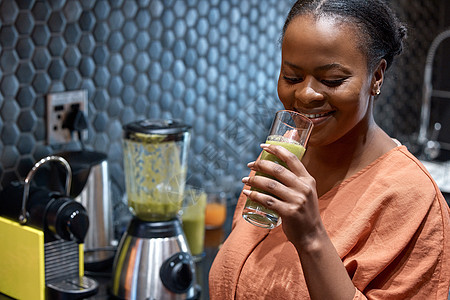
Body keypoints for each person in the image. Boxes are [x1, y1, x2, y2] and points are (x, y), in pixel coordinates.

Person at [208, 0, 450, 299]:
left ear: (377, 75)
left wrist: (311, 238)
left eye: (332, 80)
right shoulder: (285, 156)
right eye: (292, 77)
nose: (305, 94)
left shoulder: (412, 200)